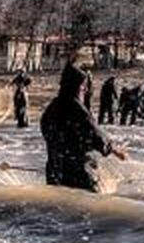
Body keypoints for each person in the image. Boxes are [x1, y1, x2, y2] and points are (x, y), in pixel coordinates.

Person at [41, 62, 127, 192]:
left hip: (55, 172)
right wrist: (116, 151)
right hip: (79, 174)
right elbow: (95, 134)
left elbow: (46, 132)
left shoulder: (51, 108)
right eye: (83, 87)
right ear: (77, 87)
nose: (85, 90)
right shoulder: (78, 110)